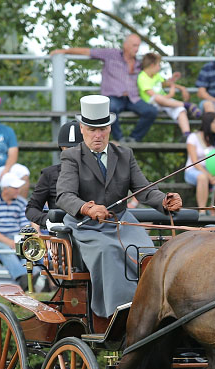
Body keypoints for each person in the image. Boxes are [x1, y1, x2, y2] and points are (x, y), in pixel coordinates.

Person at [55, 95, 183, 317]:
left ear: (110, 129)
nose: (98, 135)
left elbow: (144, 189)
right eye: (92, 129)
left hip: (122, 223)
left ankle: (155, 307)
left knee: (146, 254)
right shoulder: (72, 157)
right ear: (82, 129)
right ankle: (119, 312)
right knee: (109, 251)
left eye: (103, 129)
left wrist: (163, 201)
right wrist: (87, 208)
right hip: (85, 226)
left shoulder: (124, 154)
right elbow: (64, 195)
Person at [50, 34, 157, 143]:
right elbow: (87, 51)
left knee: (151, 111)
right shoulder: (111, 54)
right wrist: (63, 51)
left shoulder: (140, 63)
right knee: (109, 109)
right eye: (134, 45)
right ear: (126, 45)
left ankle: (134, 139)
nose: (137, 49)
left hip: (133, 98)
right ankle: (119, 140)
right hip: (114, 97)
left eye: (138, 45)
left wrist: (169, 83)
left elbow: (154, 76)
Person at [0, 172, 35, 287]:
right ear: (5, 189)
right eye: (15, 188)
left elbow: (25, 227)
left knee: (26, 251)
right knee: (4, 250)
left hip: (17, 238)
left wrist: (20, 240)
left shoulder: (22, 203)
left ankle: (27, 278)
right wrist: (9, 242)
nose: (18, 190)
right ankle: (24, 278)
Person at [26, 121, 83, 227]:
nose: (72, 153)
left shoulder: (96, 172)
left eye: (76, 149)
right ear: (61, 148)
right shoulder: (49, 174)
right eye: (67, 148)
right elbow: (32, 208)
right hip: (61, 234)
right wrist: (49, 220)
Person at [138, 52, 192, 139]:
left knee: (180, 110)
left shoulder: (156, 75)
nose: (159, 68)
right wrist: (170, 95)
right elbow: (153, 96)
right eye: (158, 65)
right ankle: (187, 105)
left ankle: (187, 134)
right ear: (152, 65)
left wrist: (180, 86)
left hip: (164, 101)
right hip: (151, 103)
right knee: (158, 97)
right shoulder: (142, 77)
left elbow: (166, 83)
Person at [184, 112, 215, 208]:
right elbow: (194, 161)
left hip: (214, 172)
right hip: (194, 170)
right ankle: (202, 211)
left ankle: (212, 208)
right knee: (202, 178)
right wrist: (208, 175)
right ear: (209, 124)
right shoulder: (193, 137)